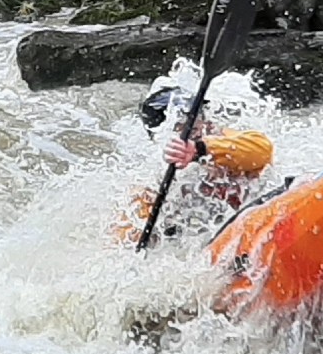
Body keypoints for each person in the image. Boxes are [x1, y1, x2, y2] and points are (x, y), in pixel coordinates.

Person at [118, 81, 275, 245]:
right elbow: (124, 245)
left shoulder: (221, 141)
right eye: (186, 127)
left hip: (253, 219)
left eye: (201, 117)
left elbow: (264, 150)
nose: (202, 126)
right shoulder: (148, 189)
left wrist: (200, 149)